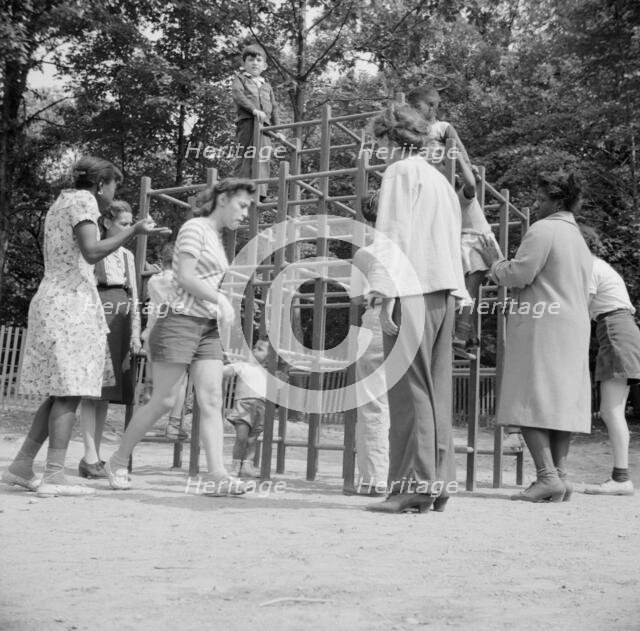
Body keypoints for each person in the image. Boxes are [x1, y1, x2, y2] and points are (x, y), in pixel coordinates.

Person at [1, 157, 166, 497]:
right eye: (113, 187)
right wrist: (132, 232)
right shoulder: (84, 200)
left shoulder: (62, 201)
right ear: (101, 184)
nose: (111, 195)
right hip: (69, 303)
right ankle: (55, 476)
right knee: (71, 389)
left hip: (57, 298)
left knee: (62, 390)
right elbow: (91, 252)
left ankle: (21, 465)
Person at [105, 178, 255, 496]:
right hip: (178, 323)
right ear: (224, 198)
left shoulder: (215, 237)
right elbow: (185, 277)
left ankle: (216, 476)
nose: (245, 213)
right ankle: (117, 462)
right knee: (165, 400)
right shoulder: (195, 228)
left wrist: (220, 304)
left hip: (207, 328)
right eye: (242, 205)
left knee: (212, 399)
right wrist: (221, 300)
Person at [365, 104, 468, 513]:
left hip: (412, 290)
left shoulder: (400, 172)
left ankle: (414, 485)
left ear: (393, 140)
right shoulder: (441, 181)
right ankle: (439, 483)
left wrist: (383, 292)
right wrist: (458, 293)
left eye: (380, 143)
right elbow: (450, 242)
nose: (379, 152)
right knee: (435, 389)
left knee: (409, 391)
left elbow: (391, 234)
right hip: (444, 292)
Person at [479, 171, 593, 502]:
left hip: (543, 325)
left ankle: (546, 476)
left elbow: (519, 275)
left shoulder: (544, 229)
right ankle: (560, 477)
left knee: (529, 397)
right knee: (558, 402)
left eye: (542, 199)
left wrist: (494, 263)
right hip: (573, 325)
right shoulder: (579, 239)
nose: (537, 204)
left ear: (557, 200)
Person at [78, 201, 142, 478]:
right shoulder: (93, 252)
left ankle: (95, 456)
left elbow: (135, 294)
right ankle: (88, 456)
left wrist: (136, 331)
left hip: (122, 314)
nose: (128, 229)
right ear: (107, 223)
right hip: (97, 312)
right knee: (92, 391)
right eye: (123, 224)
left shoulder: (127, 255)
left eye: (130, 224)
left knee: (106, 392)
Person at [579, 224, 637, 496]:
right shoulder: (599, 265)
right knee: (613, 410)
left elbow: (581, 305)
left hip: (614, 329)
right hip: (619, 329)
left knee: (611, 410)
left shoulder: (589, 265)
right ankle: (620, 476)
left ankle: (621, 478)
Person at [345, 193, 390, 496]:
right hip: (414, 318)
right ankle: (413, 474)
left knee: (373, 403)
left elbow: (358, 296)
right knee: (411, 403)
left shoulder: (366, 253)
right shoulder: (415, 247)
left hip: (375, 319)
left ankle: (374, 479)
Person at [453, 159, 503, 359]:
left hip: (467, 242)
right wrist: (459, 158)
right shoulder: (463, 197)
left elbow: (473, 182)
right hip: (476, 243)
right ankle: (462, 336)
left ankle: (470, 337)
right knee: (470, 293)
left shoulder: (454, 201)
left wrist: (472, 173)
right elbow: (472, 184)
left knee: (467, 292)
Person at [141, 243, 189, 440]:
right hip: (174, 336)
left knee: (150, 381)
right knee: (180, 381)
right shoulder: (183, 281)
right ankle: (173, 425)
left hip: (152, 336)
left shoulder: (153, 280)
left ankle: (142, 421)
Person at [231, 44, 284, 200]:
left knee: (263, 156)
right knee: (246, 154)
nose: (255, 63)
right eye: (250, 59)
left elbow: (274, 108)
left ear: (264, 65)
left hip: (265, 127)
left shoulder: (267, 86)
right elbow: (237, 94)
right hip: (248, 122)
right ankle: (240, 189)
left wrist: (279, 130)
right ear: (244, 64)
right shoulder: (240, 79)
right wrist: (253, 110)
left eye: (258, 60)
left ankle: (260, 192)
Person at [225, 339, 270, 478]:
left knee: (252, 440)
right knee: (242, 437)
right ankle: (235, 465)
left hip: (260, 408)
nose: (254, 350)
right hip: (243, 406)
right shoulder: (243, 365)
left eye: (260, 349)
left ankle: (247, 465)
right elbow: (225, 371)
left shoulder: (269, 372)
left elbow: (279, 385)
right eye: (254, 347)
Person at [406, 86, 475, 174]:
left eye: (417, 107)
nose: (413, 111)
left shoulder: (443, 127)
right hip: (417, 173)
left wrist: (469, 167)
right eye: (410, 108)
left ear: (431, 105)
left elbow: (460, 150)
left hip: (439, 174)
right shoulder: (411, 129)